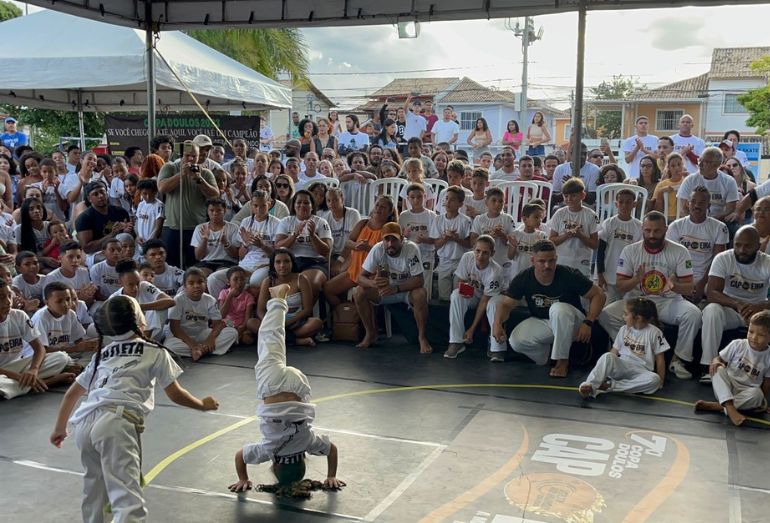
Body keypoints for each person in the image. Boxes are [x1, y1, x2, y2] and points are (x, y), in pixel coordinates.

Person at [50, 295, 219, 522]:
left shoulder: (103, 353)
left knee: (95, 492)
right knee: (126, 498)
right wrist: (202, 405)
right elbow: (175, 393)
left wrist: (60, 428)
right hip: (116, 424)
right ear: (139, 319)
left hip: (84, 424)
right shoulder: (154, 350)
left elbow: (72, 393)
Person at [229, 282, 342, 495]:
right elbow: (239, 456)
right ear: (275, 465)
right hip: (272, 387)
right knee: (269, 337)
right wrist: (243, 478)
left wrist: (331, 476)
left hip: (300, 388)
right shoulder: (268, 450)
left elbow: (332, 449)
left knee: (274, 343)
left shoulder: (307, 443)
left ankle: (280, 303)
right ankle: (280, 297)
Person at [598, 211, 701, 380]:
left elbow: (690, 288)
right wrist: (635, 279)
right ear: (642, 229)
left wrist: (675, 287)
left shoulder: (679, 251)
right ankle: (631, 351)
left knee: (693, 314)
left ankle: (679, 360)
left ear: (666, 229)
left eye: (657, 231)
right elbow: (620, 286)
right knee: (605, 314)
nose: (652, 235)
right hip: (637, 303)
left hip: (667, 301)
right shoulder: (630, 251)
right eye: (647, 230)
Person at [490, 240, 605, 373]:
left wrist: (588, 322)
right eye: (542, 261)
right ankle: (548, 359)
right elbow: (505, 304)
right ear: (533, 260)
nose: (547, 265)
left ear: (556, 259)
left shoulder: (568, 274)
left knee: (558, 309)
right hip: (544, 321)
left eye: (551, 261)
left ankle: (562, 361)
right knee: (517, 341)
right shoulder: (524, 277)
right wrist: (497, 324)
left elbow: (599, 295)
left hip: (573, 323)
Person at [700, 226, 770, 383]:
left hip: (757, 313)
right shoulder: (723, 258)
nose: (741, 250)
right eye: (738, 245)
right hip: (731, 308)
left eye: (747, 246)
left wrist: (760, 306)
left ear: (758, 247)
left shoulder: (767, 262)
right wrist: (737, 304)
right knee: (711, 310)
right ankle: (708, 366)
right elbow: (712, 293)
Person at [354, 222, 432, 353]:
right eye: (387, 239)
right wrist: (373, 283)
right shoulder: (378, 249)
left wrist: (397, 289)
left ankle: (422, 337)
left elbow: (419, 280)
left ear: (401, 239)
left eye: (394, 239)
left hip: (406, 290)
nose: (390, 244)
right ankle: (370, 333)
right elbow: (360, 277)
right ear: (382, 240)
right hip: (385, 291)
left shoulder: (411, 248)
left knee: (420, 294)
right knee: (358, 292)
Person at [579, 297, 669, 399]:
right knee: (607, 356)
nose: (623, 317)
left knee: (654, 380)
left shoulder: (655, 332)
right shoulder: (623, 329)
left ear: (638, 318)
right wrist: (607, 367)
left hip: (640, 371)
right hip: (622, 366)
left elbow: (660, 359)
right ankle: (589, 385)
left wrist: (660, 381)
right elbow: (614, 351)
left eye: (626, 314)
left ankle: (611, 386)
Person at [0, 279, 74, 399]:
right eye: (1, 297)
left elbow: (39, 348)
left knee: (61, 357)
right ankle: (47, 382)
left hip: (20, 365)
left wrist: (33, 370)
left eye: (9, 296)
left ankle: (23, 385)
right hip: (2, 372)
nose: (8, 301)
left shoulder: (19, 316)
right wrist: (18, 377)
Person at [694, 309, 770, 426]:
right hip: (726, 387)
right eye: (751, 332)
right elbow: (718, 359)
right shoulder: (737, 345)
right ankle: (730, 408)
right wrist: (715, 362)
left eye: (760, 335)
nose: (754, 337)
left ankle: (717, 406)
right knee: (718, 369)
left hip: (746, 392)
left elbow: (766, 383)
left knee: (758, 395)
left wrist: (763, 402)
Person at [324, 196, 395, 307]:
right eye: (377, 205)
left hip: (374, 275)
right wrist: (357, 245)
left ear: (389, 212)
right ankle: (344, 313)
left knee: (360, 294)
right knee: (327, 288)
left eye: (383, 207)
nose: (378, 209)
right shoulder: (363, 223)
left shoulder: (390, 228)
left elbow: (390, 254)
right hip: (355, 271)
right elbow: (348, 243)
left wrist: (368, 248)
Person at [157, 140, 220, 268]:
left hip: (196, 228)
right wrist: (181, 174)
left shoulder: (205, 173)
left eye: (194, 156)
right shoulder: (170, 167)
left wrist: (199, 179)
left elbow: (215, 195)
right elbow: (162, 188)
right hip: (173, 227)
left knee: (195, 266)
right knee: (172, 265)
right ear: (181, 155)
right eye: (187, 155)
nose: (191, 159)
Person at [666, 187, 728, 303]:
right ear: (688, 203)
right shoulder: (675, 226)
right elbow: (671, 259)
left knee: (715, 292)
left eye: (701, 202)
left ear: (708, 205)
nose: (696, 205)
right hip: (680, 276)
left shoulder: (719, 227)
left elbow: (718, 261)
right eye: (693, 201)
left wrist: (701, 283)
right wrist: (684, 284)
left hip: (706, 278)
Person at [445, 235, 503, 359]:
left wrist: (471, 329)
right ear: (473, 249)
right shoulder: (467, 257)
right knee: (456, 294)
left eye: (485, 253)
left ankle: (497, 348)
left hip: (489, 299)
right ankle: (456, 341)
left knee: (494, 304)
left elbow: (484, 301)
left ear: (492, 253)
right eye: (478, 251)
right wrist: (466, 291)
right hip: (473, 294)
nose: (480, 256)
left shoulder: (495, 272)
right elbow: (460, 282)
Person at [164, 267, 239, 360]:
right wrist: (193, 345)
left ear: (205, 283)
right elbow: (175, 329)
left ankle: (201, 350)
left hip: (201, 334)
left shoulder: (210, 300)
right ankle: (206, 350)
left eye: (200, 282)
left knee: (232, 332)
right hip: (181, 337)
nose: (196, 286)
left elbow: (218, 324)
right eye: (191, 283)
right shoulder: (178, 300)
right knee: (169, 348)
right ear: (184, 286)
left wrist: (210, 339)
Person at [254, 248, 323, 347]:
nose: (282, 265)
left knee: (316, 323)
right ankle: (297, 341)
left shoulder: (302, 279)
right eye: (278, 262)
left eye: (286, 261)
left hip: (296, 322)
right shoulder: (268, 281)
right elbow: (260, 310)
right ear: (273, 265)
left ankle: (276, 339)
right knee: (252, 323)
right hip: (273, 322)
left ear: (292, 263)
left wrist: (286, 323)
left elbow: (307, 309)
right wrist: (270, 323)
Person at [274, 190, 333, 298]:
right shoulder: (286, 221)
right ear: (294, 205)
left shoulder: (321, 222)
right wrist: (294, 235)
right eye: (299, 202)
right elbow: (278, 247)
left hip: (314, 262)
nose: (302, 205)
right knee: (278, 285)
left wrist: (313, 235)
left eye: (306, 203)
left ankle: (305, 313)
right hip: (290, 262)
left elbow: (325, 251)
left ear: (312, 206)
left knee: (310, 284)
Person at [596, 189, 643, 304]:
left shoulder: (639, 226)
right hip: (609, 275)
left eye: (628, 202)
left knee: (627, 308)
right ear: (616, 204)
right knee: (606, 309)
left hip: (629, 277)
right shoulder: (609, 223)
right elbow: (600, 250)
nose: (624, 205)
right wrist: (600, 274)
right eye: (621, 202)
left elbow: (640, 253)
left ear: (634, 204)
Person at [28, 281, 95, 360]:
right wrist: (75, 348)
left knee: (95, 352)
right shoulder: (41, 318)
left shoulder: (71, 313)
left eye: (68, 299)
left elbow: (78, 339)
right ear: (47, 303)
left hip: (65, 352)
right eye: (59, 301)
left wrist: (88, 345)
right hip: (39, 357)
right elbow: (42, 350)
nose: (66, 304)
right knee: (61, 358)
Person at [111, 259, 174, 342]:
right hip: (129, 336)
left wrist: (139, 307)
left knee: (159, 308)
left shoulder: (144, 286)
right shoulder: (114, 298)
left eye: (137, 283)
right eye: (131, 284)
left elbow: (171, 301)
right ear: (121, 283)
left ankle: (146, 340)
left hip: (153, 333)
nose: (136, 288)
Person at [548, 178, 599, 278]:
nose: (569, 199)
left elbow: (595, 244)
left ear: (583, 195)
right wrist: (567, 235)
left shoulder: (591, 215)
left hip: (582, 262)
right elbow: (551, 240)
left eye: (573, 195)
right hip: (562, 260)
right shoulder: (559, 213)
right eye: (566, 196)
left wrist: (580, 235)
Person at [429, 187, 473, 300]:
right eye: (447, 198)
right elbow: (435, 245)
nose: (448, 202)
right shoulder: (438, 219)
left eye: (452, 200)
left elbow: (470, 244)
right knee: (444, 297)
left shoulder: (465, 220)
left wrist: (456, 239)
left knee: (461, 296)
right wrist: (445, 238)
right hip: (444, 261)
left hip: (461, 262)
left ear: (460, 204)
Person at [676, 147, 738, 223]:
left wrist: (712, 220)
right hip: (694, 219)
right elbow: (683, 207)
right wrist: (699, 219)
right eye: (699, 160)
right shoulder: (690, 180)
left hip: (719, 220)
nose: (700, 164)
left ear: (717, 164)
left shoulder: (729, 181)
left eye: (705, 162)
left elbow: (730, 208)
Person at [470, 187, 516, 286]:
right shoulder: (479, 219)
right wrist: (488, 236)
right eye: (494, 200)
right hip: (483, 261)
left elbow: (512, 242)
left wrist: (501, 234)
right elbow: (472, 241)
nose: (497, 204)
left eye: (501, 201)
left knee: (501, 289)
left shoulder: (508, 219)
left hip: (502, 261)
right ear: (486, 202)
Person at [75, 182, 133, 255]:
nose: (100, 196)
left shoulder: (120, 211)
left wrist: (127, 231)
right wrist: (112, 234)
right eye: (95, 194)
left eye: (102, 192)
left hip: (121, 248)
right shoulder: (84, 218)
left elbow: (130, 236)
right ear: (89, 199)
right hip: (97, 253)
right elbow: (87, 248)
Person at [191, 198, 242, 276]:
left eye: (218, 210)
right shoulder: (200, 228)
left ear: (224, 211)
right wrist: (204, 240)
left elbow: (236, 256)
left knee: (218, 276)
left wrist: (225, 243)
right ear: (207, 212)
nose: (215, 213)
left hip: (227, 262)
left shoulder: (234, 228)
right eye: (211, 210)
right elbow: (198, 256)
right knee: (199, 276)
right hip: (206, 263)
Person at [319, 187, 361, 278]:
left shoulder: (353, 214)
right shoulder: (325, 217)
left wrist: (339, 262)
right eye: (328, 201)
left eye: (335, 200)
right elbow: (325, 245)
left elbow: (352, 243)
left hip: (349, 254)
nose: (331, 203)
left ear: (342, 199)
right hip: (332, 256)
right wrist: (333, 263)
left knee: (340, 273)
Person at [508, 202, 548, 278]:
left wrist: (540, 245)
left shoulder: (542, 236)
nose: (539, 220)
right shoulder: (516, 235)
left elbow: (544, 257)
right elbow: (510, 257)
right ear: (525, 219)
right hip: (518, 273)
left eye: (541, 217)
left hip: (534, 274)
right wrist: (513, 246)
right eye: (536, 217)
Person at [219, 266, 256, 345]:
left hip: (241, 325)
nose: (239, 282)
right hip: (227, 324)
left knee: (247, 339)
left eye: (242, 279)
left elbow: (248, 317)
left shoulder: (248, 297)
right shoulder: (224, 293)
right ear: (229, 282)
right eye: (235, 279)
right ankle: (232, 339)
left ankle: (234, 339)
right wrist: (230, 296)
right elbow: (221, 315)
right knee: (220, 328)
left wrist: (242, 327)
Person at [652, 152, 686, 222]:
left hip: (684, 217)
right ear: (669, 168)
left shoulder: (688, 181)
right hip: (668, 218)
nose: (677, 168)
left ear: (683, 165)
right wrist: (660, 192)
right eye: (673, 166)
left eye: (679, 164)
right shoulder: (661, 185)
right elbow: (657, 210)